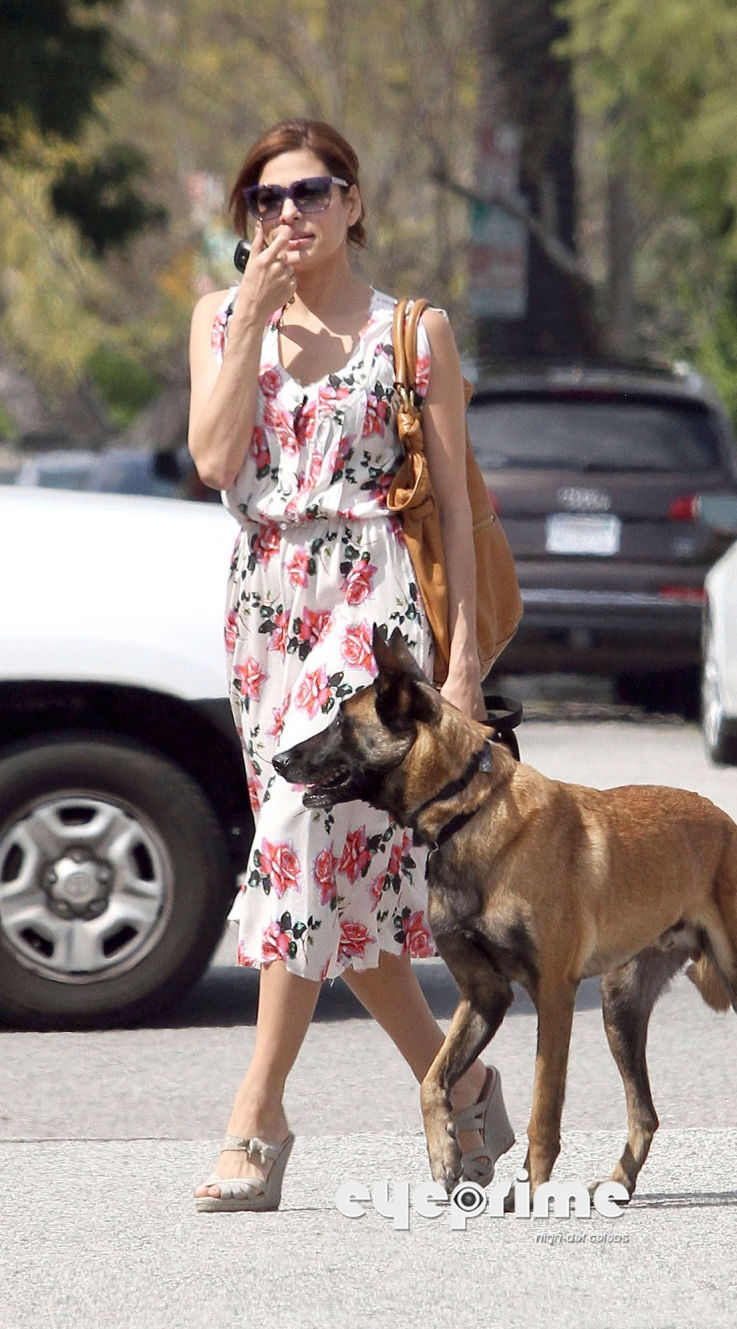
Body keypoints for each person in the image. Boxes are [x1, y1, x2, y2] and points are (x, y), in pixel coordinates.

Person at [187, 118, 513, 1211]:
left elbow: (457, 509)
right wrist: (247, 327)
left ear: (355, 203)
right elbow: (213, 460)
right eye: (267, 200)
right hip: (267, 604)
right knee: (347, 883)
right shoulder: (218, 319)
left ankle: (257, 1112)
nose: (291, 214)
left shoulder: (412, 334)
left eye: (312, 192)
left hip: (376, 600)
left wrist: (462, 662)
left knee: (296, 818)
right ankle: (457, 1077)